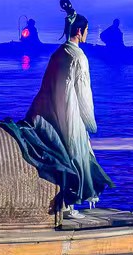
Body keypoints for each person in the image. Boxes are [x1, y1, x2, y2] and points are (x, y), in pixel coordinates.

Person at [27, 15, 112, 216]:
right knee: (75, 155)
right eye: (87, 30)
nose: (87, 34)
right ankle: (67, 205)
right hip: (69, 111)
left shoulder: (58, 53)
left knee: (59, 153)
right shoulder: (78, 57)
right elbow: (83, 92)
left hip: (47, 109)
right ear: (79, 32)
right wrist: (89, 121)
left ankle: (63, 203)